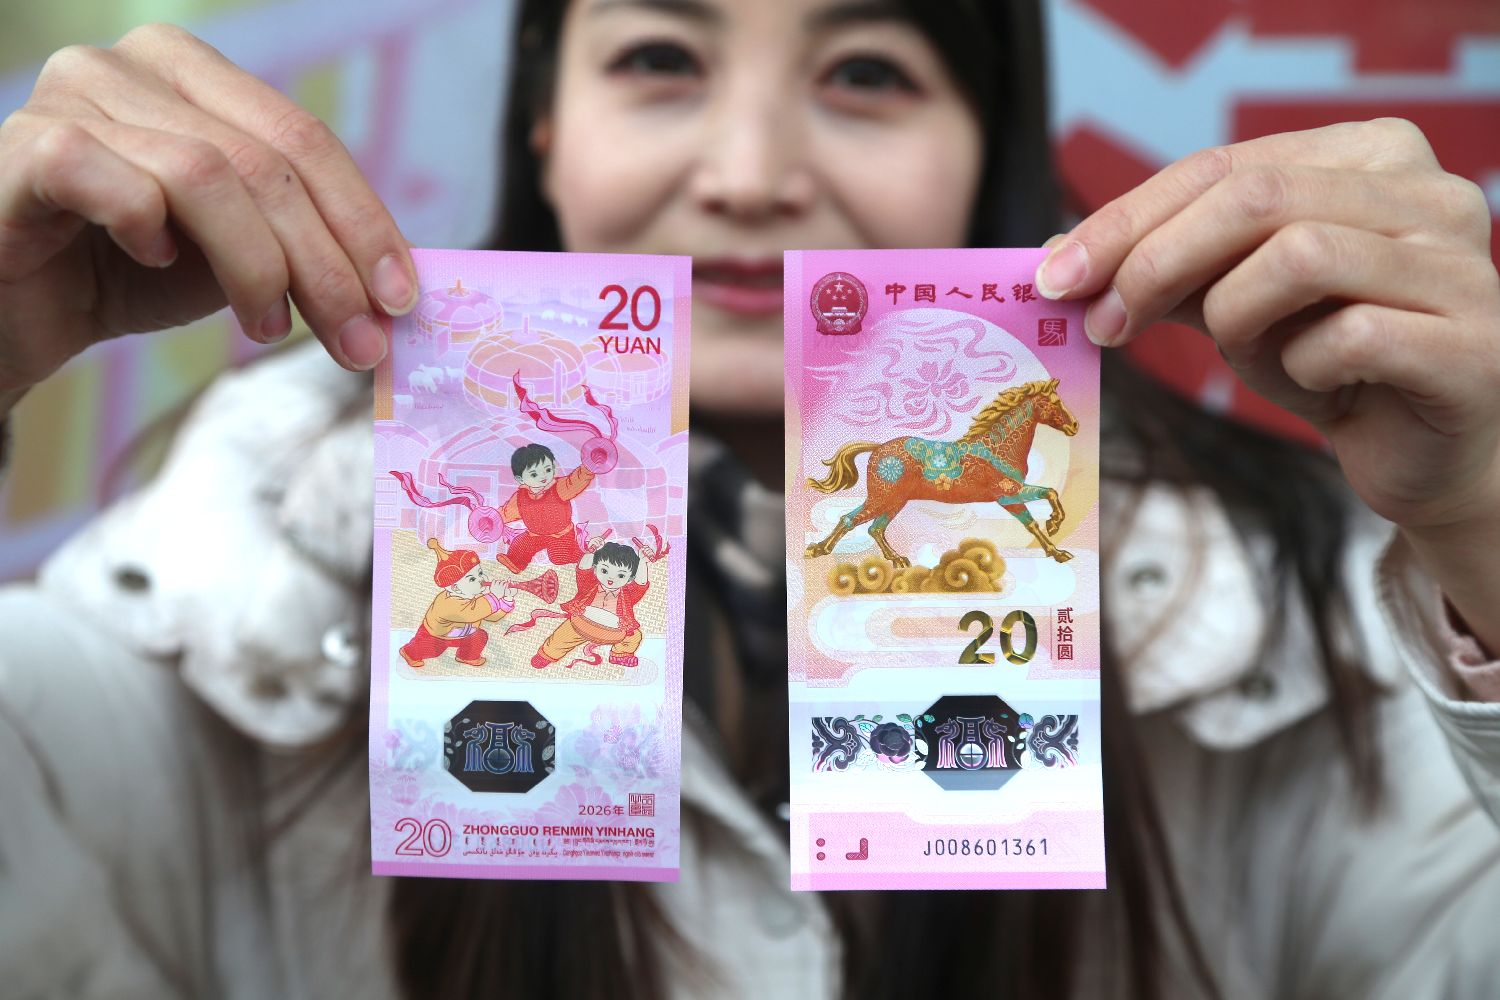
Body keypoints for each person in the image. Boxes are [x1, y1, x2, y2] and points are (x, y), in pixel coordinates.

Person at [0, 2, 1498, 999]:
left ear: (988, 142)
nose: (749, 171)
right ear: (543, 123)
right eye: (662, 56)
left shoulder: (1287, 612)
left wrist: (1486, 522)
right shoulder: (218, 586)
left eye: (868, 73)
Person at [532, 536, 654, 669]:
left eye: (621, 575)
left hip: (613, 633)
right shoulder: (589, 585)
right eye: (604, 571)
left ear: (630, 579)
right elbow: (583, 570)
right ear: (595, 569)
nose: (611, 578)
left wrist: (643, 562)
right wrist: (591, 552)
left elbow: (641, 584)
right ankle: (546, 655)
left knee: (635, 636)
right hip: (581, 624)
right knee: (560, 638)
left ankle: (620, 655)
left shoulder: (628, 595)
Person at [398, 538, 515, 669]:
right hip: (437, 636)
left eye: (480, 573)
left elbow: (491, 616)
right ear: (455, 588)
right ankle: (409, 652)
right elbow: (471, 614)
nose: (481, 579)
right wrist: (494, 596)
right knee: (434, 650)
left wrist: (507, 599)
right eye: (472, 579)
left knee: (479, 636)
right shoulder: (447, 603)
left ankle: (466, 656)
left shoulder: (475, 597)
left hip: (464, 634)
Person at [494, 443, 596, 573]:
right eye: (534, 474)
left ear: (553, 468)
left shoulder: (558, 487)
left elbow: (575, 481)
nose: (543, 477)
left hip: (561, 534)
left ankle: (584, 556)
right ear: (520, 479)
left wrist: (587, 469)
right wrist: (492, 519)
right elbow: (507, 512)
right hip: (535, 534)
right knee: (520, 543)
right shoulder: (520, 497)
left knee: (559, 557)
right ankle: (515, 562)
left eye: (547, 470)